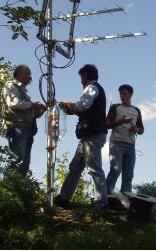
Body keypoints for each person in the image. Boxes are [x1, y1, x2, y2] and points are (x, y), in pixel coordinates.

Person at [55, 64, 108, 208]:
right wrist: (70, 109)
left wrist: (69, 104)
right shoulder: (95, 89)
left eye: (81, 78)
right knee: (76, 167)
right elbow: (83, 110)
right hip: (88, 136)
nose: (80, 81)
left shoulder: (92, 88)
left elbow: (82, 105)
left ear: (85, 75)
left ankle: (101, 204)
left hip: (93, 136)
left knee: (94, 168)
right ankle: (64, 197)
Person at [2, 64, 46, 176]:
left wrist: (43, 108)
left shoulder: (22, 90)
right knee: (17, 161)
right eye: (28, 74)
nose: (29, 77)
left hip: (26, 129)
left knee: (24, 164)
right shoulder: (10, 85)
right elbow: (13, 103)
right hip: (17, 127)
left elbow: (31, 113)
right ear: (20, 74)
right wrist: (32, 104)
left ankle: (19, 189)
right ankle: (10, 189)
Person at [106, 84, 144, 195]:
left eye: (124, 94)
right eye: (120, 94)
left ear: (131, 94)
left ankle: (126, 199)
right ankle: (107, 195)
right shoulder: (115, 107)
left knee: (128, 174)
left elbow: (142, 130)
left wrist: (136, 128)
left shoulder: (136, 110)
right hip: (116, 143)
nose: (122, 96)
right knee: (116, 169)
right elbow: (107, 124)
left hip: (131, 145)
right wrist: (121, 121)